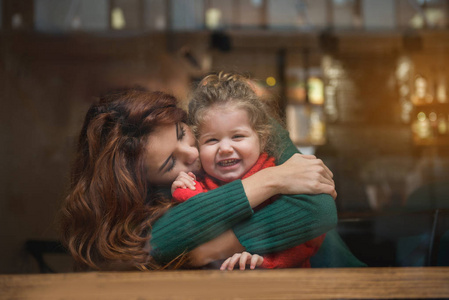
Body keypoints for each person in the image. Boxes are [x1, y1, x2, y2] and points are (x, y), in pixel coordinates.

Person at [60, 87, 361, 271]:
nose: (191, 153)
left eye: (182, 133)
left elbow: (317, 211)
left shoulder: (230, 119)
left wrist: (212, 246)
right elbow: (160, 240)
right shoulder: (165, 196)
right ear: (149, 184)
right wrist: (275, 178)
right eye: (170, 163)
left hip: (343, 280)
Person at [170, 72, 326, 270]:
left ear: (262, 138)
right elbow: (192, 227)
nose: (225, 148)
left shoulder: (286, 182)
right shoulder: (199, 184)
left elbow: (308, 238)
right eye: (212, 140)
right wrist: (184, 192)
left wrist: (264, 261)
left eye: (237, 136)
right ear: (198, 147)